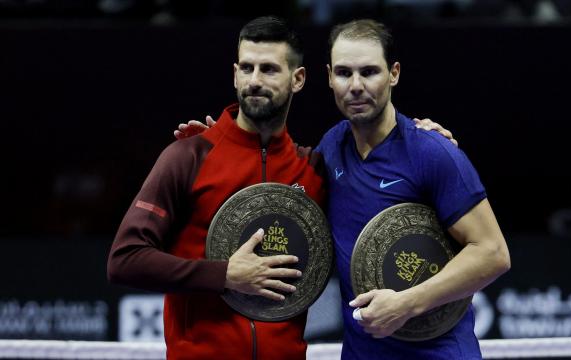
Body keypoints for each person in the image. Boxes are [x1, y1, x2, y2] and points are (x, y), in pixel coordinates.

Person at [108, 16, 325, 360]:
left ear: (297, 79)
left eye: (269, 69)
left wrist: (435, 139)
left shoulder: (313, 169)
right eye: (247, 68)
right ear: (234, 73)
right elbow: (125, 260)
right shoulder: (188, 155)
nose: (254, 81)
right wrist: (225, 274)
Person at [315, 19, 511, 359]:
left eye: (370, 72)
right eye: (344, 73)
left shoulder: (432, 152)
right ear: (329, 76)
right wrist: (216, 143)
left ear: (394, 73)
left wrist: (406, 303)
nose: (356, 85)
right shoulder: (331, 146)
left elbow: (493, 253)